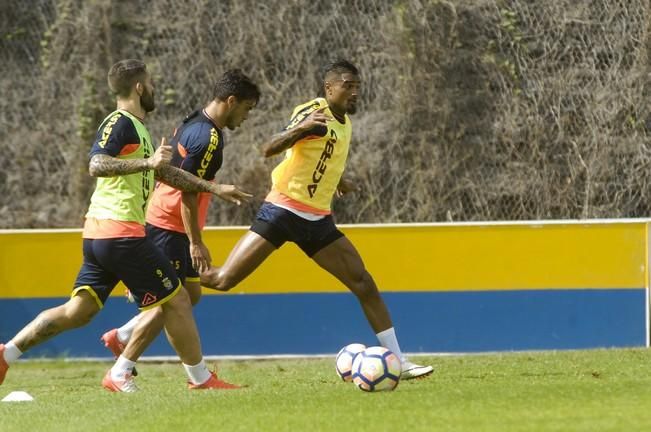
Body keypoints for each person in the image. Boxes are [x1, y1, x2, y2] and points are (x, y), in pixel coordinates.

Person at [0, 59, 251, 392]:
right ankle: (199, 379)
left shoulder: (137, 128)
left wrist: (212, 187)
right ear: (139, 87)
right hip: (120, 232)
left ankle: (6, 354)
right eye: (151, 83)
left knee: (79, 310)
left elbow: (165, 174)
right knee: (176, 300)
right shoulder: (120, 122)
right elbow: (96, 163)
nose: (154, 88)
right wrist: (147, 161)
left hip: (102, 234)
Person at [200, 59, 433, 380]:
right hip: (282, 210)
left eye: (357, 87)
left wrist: (338, 180)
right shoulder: (314, 111)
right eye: (347, 86)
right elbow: (269, 148)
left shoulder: (345, 123)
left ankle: (400, 361)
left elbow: (322, 156)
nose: (354, 92)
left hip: (316, 220)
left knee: (363, 282)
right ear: (329, 88)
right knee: (224, 280)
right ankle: (166, 276)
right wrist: (303, 128)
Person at [99, 69, 260, 380]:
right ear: (231, 101)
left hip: (164, 220)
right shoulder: (210, 138)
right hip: (169, 225)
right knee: (170, 301)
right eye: (247, 108)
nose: (246, 116)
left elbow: (170, 174)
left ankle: (121, 336)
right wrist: (195, 241)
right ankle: (122, 369)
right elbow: (188, 192)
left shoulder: (194, 121)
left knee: (190, 294)